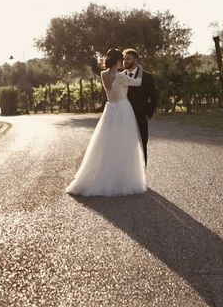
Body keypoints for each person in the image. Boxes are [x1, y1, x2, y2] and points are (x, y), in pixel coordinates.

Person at [65, 49, 147, 197]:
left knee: (107, 143)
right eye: (121, 60)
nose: (123, 62)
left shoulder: (103, 74)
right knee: (124, 143)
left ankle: (104, 176)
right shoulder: (121, 76)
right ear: (117, 61)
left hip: (110, 110)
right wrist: (139, 69)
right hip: (122, 109)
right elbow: (138, 82)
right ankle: (121, 179)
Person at [122, 48, 158, 165]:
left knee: (141, 146)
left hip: (140, 117)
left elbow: (154, 97)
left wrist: (148, 114)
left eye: (128, 59)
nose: (125, 61)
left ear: (136, 60)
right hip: (123, 119)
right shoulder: (120, 76)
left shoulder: (147, 77)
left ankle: (142, 177)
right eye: (124, 59)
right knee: (124, 147)